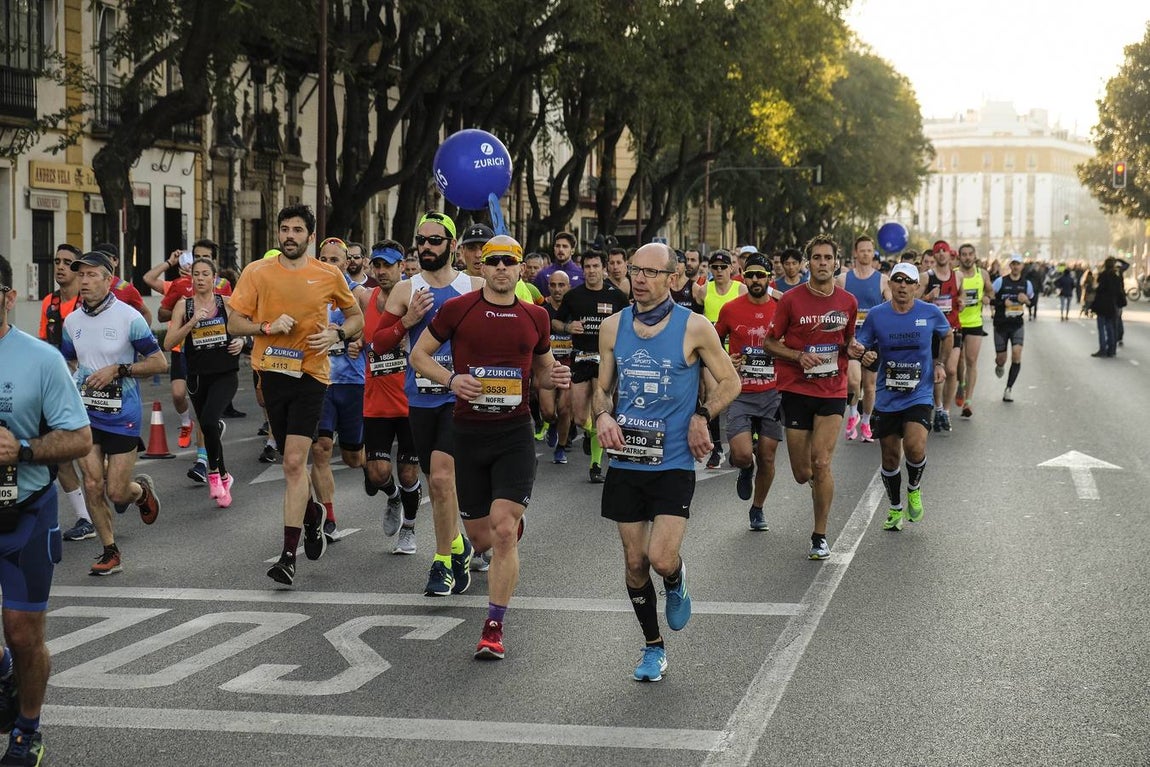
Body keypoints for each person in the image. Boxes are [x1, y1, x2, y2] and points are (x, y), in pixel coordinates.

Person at [412, 234, 570, 659]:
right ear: (480, 266)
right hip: (468, 433)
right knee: (482, 538)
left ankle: (493, 627)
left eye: (509, 261)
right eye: (494, 261)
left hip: (514, 433)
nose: (501, 268)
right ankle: (500, 528)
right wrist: (451, 380)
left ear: (520, 269)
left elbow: (542, 371)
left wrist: (554, 378)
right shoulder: (458, 309)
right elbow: (419, 356)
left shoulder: (535, 316)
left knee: (502, 531)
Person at [593, 243, 739, 682]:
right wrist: (602, 416)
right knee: (634, 562)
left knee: (659, 558)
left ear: (673, 279)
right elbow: (602, 389)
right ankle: (653, 646)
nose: (639, 278)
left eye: (651, 272)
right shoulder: (612, 327)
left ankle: (675, 579)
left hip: (673, 461)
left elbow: (730, 381)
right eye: (635, 270)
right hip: (626, 461)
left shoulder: (694, 327)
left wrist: (702, 416)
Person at [227, 204, 363, 587]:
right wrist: (266, 326)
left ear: (310, 236)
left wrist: (337, 334)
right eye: (285, 229)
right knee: (292, 467)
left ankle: (288, 557)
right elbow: (234, 322)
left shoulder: (328, 274)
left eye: (298, 230)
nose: (290, 235)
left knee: (291, 463)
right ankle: (311, 516)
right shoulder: (257, 272)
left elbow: (357, 318)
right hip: (271, 373)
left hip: (311, 376)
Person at [0, 254, 93, 767]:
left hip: (24, 513)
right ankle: (3, 674)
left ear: (9, 297)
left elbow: (79, 439)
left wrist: (23, 450)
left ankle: (26, 731)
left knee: (23, 633)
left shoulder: (40, 359)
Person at [373, 211, 483, 597]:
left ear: (452, 245)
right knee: (437, 486)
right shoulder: (407, 290)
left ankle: (441, 564)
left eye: (435, 240)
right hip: (420, 397)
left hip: (460, 395)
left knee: (440, 478)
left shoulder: (473, 286)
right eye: (421, 240)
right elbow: (379, 344)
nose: (426, 247)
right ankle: (458, 545)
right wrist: (407, 321)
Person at [61, 251, 167, 575]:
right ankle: (110, 550)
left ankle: (141, 492)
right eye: (81, 275)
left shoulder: (128, 318)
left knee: (117, 491)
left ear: (108, 280)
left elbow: (159, 363)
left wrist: (118, 370)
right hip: (86, 415)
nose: (84, 281)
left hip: (123, 415)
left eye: (92, 275)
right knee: (93, 484)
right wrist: (73, 384)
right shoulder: (72, 321)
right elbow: (69, 360)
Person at [762, 235, 857, 560]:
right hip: (796, 389)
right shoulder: (791, 300)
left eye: (827, 258)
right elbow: (769, 343)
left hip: (832, 389)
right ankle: (817, 484)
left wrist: (856, 348)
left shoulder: (848, 301)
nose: (822, 263)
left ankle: (820, 536)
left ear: (836, 263)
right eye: (816, 257)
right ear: (808, 263)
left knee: (822, 461)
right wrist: (797, 356)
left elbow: (848, 342)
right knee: (803, 472)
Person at [851, 262, 952, 531]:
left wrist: (940, 363)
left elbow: (947, 334)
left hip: (919, 393)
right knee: (890, 456)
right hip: (887, 396)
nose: (903, 286)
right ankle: (895, 507)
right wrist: (864, 354)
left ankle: (914, 488)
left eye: (908, 281)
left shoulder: (929, 312)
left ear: (917, 286)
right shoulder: (877, 315)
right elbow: (861, 345)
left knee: (915, 448)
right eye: (898, 280)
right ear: (890, 284)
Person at [162, 257, 244, 506]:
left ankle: (214, 474)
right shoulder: (183, 306)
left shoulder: (227, 303)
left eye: (205, 274)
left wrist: (242, 341)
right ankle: (225, 476)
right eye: (196, 274)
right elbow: (168, 343)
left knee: (208, 421)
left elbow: (246, 328)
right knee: (208, 427)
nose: (200, 278)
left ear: (214, 278)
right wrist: (192, 322)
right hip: (197, 376)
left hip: (225, 374)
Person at [360, 242, 422, 554]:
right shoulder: (366, 298)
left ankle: (409, 529)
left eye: (388, 265)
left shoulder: (416, 300)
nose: (382, 271)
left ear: (402, 267)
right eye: (377, 265)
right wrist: (349, 339)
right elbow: (354, 326)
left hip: (410, 400)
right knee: (378, 473)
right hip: (376, 400)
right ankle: (393, 496)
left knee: (409, 473)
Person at [713, 254, 783, 531]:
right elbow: (713, 343)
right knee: (742, 454)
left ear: (769, 278)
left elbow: (794, 343)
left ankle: (757, 508)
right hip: (740, 391)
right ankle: (745, 468)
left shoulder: (781, 309)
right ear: (743, 276)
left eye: (760, 275)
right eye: (751, 275)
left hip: (772, 393)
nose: (755, 280)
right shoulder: (730, 309)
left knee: (767, 455)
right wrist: (725, 360)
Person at [554, 249, 630, 483]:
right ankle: (592, 434)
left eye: (596, 266)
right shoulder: (573, 296)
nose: (591, 271)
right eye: (587, 267)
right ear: (583, 269)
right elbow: (555, 321)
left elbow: (628, 323)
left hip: (605, 359)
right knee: (579, 418)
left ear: (603, 268)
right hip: (580, 357)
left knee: (600, 410)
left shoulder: (616, 296)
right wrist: (568, 327)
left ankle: (595, 465)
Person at [37, 244, 95, 543]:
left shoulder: (89, 304)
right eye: (57, 261)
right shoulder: (49, 302)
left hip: (89, 390)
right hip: (56, 390)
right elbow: (43, 345)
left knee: (92, 463)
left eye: (67, 262)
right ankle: (85, 518)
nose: (60, 266)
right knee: (61, 455)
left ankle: (125, 489)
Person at [310, 237, 367, 541]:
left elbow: (374, 332)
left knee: (353, 458)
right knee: (321, 448)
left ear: (347, 263)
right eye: (323, 259)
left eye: (335, 260)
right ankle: (328, 516)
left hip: (351, 382)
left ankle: (376, 472)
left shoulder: (358, 294)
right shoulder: (308, 292)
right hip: (319, 380)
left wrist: (353, 337)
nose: (328, 264)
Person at [693, 250, 746, 467]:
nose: (719, 271)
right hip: (712, 351)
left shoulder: (740, 289)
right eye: (715, 267)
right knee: (713, 397)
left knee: (736, 398)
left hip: (736, 351)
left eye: (723, 267)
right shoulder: (704, 291)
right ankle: (716, 448)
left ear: (731, 268)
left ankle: (740, 443)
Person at [837, 235, 889, 443]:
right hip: (851, 340)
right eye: (862, 250)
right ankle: (853, 414)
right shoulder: (843, 280)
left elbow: (891, 307)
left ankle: (866, 421)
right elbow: (835, 307)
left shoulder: (882, 280)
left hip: (873, 342)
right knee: (853, 381)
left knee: (869, 386)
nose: (866, 254)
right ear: (855, 253)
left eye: (869, 250)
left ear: (873, 253)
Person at [919, 240, 964, 432]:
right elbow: (914, 301)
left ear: (949, 254)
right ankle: (938, 408)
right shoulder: (926, 277)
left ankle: (945, 410)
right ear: (934, 255)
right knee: (936, 372)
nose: (941, 254)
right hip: (933, 332)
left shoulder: (958, 276)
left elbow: (960, 295)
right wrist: (928, 297)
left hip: (953, 328)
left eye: (944, 250)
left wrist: (961, 302)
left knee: (951, 370)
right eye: (938, 251)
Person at [954, 243, 994, 418]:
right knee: (957, 361)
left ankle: (968, 401)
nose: (967, 257)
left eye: (970, 254)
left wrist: (987, 297)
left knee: (971, 360)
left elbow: (991, 292)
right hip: (956, 323)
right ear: (959, 257)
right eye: (964, 254)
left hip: (975, 322)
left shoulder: (982, 274)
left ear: (975, 256)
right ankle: (961, 383)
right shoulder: (954, 274)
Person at [540, 270, 573, 464]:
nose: (557, 289)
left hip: (569, 366)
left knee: (565, 408)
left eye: (561, 285)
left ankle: (561, 448)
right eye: (553, 285)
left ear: (568, 287)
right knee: (547, 412)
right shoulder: (542, 312)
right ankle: (552, 424)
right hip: (548, 366)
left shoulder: (575, 309)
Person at [990, 254, 1034, 402]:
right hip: (1001, 325)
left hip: (1017, 325)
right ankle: (1000, 365)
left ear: (1022, 266)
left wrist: (1026, 301)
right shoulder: (1000, 281)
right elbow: (989, 299)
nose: (1015, 267)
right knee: (1001, 359)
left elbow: (1032, 302)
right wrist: (1003, 303)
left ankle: (1008, 388)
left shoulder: (1026, 284)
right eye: (1013, 264)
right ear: (1010, 266)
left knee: (1016, 354)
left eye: (1018, 264)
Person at [92, 242, 153, 327]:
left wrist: (141, 333)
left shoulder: (125, 287)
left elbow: (146, 313)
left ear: (116, 261)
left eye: (106, 258)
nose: (102, 262)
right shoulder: (86, 285)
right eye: (98, 258)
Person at [1091, 258, 1123, 358]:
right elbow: (1119, 291)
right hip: (1112, 305)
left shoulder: (1103, 276)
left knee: (1101, 328)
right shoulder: (1116, 277)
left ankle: (1103, 349)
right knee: (1110, 328)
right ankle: (1111, 349)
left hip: (1102, 305)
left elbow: (1099, 290)